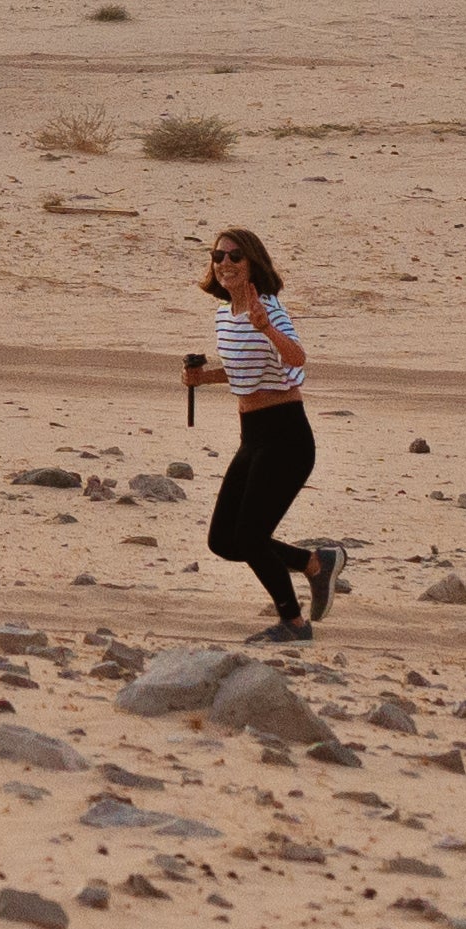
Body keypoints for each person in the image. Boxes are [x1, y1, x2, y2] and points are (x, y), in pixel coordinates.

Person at [180, 227, 342, 640]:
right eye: (218, 257)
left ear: (253, 262)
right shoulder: (224, 313)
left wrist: (267, 327)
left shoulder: (268, 308)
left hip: (287, 437)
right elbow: (242, 373)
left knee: (251, 537)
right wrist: (202, 378)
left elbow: (298, 360)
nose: (226, 264)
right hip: (252, 437)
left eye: (235, 257)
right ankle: (314, 563)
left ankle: (293, 622)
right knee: (224, 540)